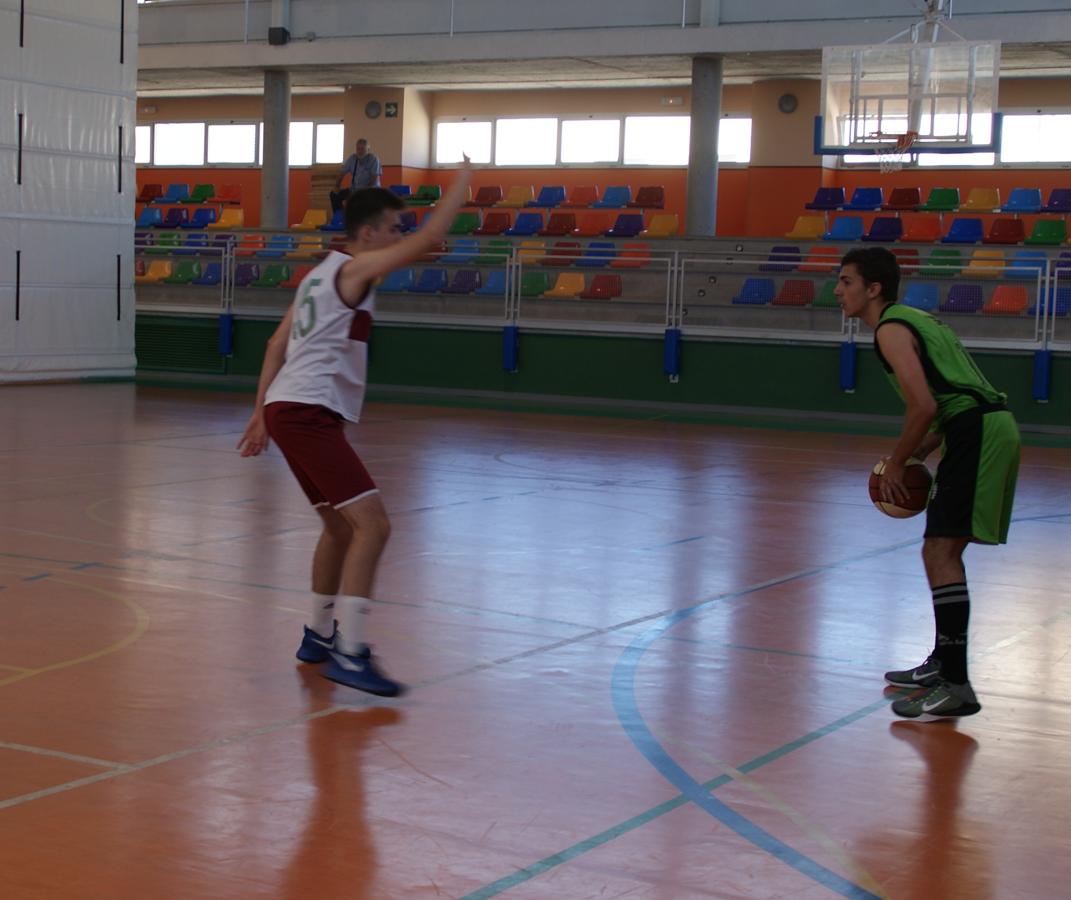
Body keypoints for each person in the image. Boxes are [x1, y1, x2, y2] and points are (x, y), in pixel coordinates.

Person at [236, 159, 473, 696]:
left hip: (289, 407)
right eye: (394, 229)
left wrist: (259, 412)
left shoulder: (321, 274)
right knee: (375, 526)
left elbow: (277, 344)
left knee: (340, 527)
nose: (400, 237)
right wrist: (465, 181)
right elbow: (433, 234)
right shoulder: (354, 270)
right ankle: (351, 651)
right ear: (368, 234)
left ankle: (318, 636)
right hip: (307, 411)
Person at [835, 246, 1020, 721]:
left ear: (873, 289)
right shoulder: (914, 319)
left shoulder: (891, 330)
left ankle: (956, 683)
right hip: (974, 427)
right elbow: (948, 398)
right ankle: (943, 664)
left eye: (847, 281)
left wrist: (898, 463)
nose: (837, 291)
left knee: (942, 550)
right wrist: (919, 453)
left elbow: (924, 406)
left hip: (978, 431)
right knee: (938, 549)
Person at [330, 138, 382, 212]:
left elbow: (374, 179)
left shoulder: (373, 159)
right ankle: (340, 217)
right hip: (355, 190)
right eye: (358, 149)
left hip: (371, 191)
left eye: (362, 149)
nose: (360, 151)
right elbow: (341, 173)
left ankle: (357, 218)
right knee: (334, 194)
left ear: (368, 149)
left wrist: (362, 192)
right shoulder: (352, 158)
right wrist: (337, 186)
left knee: (361, 201)